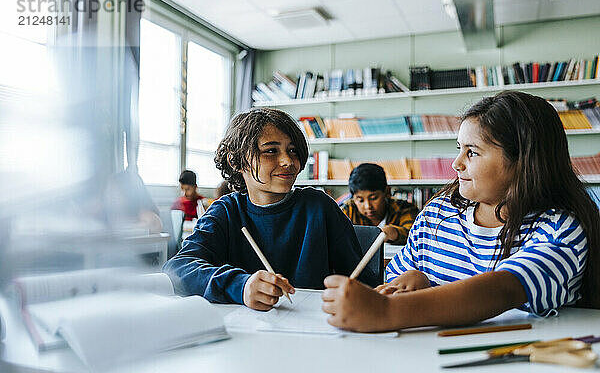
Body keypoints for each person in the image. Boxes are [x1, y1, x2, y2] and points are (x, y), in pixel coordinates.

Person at [321, 91, 600, 332]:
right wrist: (412, 282)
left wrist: (386, 312)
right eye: (459, 149)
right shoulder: (437, 214)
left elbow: (502, 290)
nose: (456, 164)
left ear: (524, 161)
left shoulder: (559, 229)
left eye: (473, 152)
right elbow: (395, 277)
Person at [163, 108, 377, 311]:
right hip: (245, 334)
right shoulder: (225, 212)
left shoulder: (320, 207)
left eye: (292, 150)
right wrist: (242, 286)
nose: (288, 161)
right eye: (271, 151)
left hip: (314, 331)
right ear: (235, 160)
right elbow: (177, 269)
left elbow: (362, 281)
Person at [341, 163, 418, 245]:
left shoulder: (404, 208)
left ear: (387, 192)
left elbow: (415, 236)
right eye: (360, 200)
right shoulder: (348, 210)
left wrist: (393, 233)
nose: (368, 206)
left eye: (373, 198)